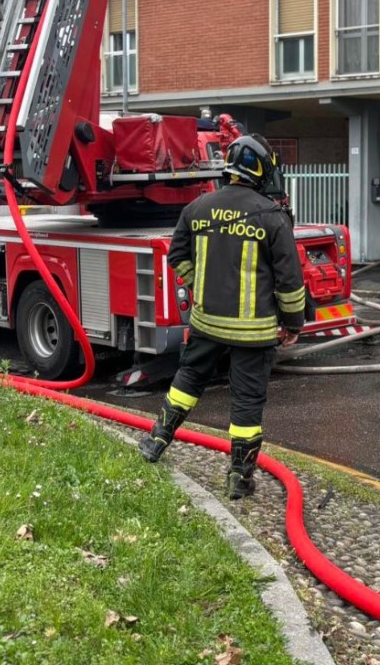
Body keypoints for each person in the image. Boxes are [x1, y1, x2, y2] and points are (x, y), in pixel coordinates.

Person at [137, 134, 306, 500]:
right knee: (246, 403)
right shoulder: (272, 217)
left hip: (206, 324)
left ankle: (155, 443)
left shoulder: (197, 209)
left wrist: (201, 286)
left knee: (187, 382)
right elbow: (290, 282)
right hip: (254, 332)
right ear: (259, 171)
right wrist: (293, 324)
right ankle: (239, 479)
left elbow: (177, 255)